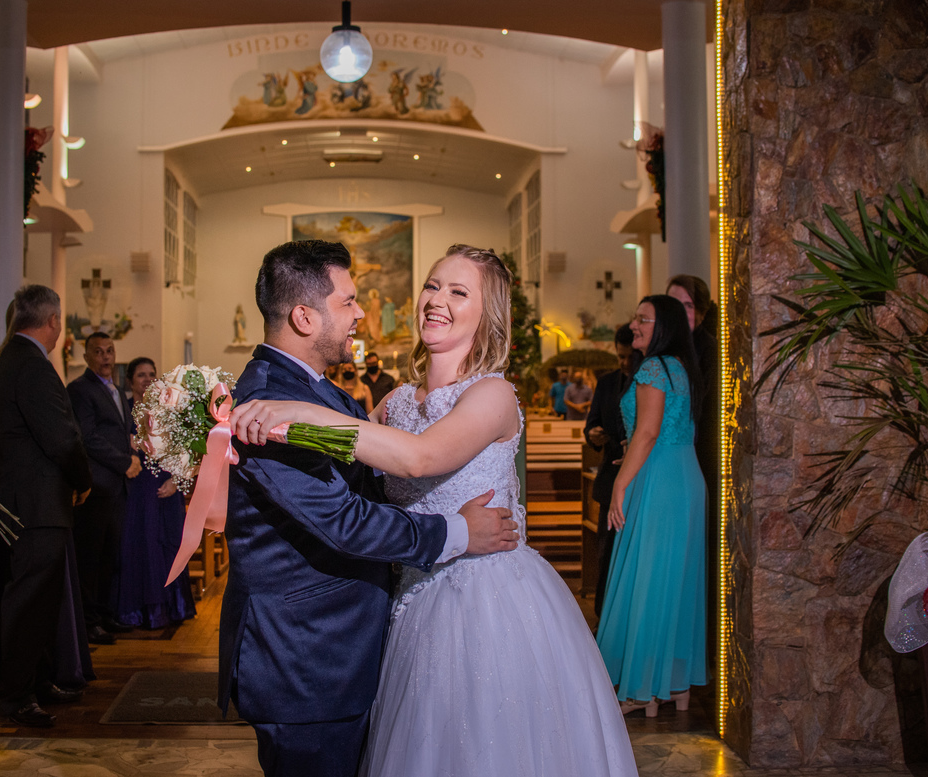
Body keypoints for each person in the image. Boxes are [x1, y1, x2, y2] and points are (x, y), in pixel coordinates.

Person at [231, 245, 638, 777]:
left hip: (487, 600)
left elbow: (419, 458)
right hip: (406, 602)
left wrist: (299, 412)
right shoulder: (396, 403)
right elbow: (355, 484)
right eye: (432, 285)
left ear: (487, 315)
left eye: (458, 291)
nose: (436, 299)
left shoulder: (492, 394)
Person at [218, 239, 521, 777]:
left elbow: (399, 464)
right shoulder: (273, 404)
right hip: (307, 655)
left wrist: (307, 413)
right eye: (349, 302)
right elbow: (345, 517)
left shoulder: (313, 395)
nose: (362, 313)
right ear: (305, 317)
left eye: (458, 291)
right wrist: (457, 532)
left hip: (440, 612)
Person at [0, 300, 96, 702]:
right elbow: (61, 437)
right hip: (36, 503)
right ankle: (18, 695)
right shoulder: (32, 364)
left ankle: (36, 683)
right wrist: (83, 479)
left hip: (23, 499)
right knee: (28, 602)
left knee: (38, 601)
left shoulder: (11, 358)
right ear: (53, 320)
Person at [596, 294, 708, 716]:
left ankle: (640, 691)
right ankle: (673, 686)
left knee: (645, 579)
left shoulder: (653, 368)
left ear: (664, 327)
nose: (634, 325)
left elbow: (647, 434)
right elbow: (663, 431)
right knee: (673, 582)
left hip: (657, 480)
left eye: (643, 319)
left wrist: (620, 484)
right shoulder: (681, 367)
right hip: (685, 475)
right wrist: (633, 453)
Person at [66, 333, 143, 645]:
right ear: (86, 357)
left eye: (110, 351)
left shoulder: (116, 390)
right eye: (98, 352)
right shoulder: (80, 389)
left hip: (117, 487)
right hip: (97, 485)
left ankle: (105, 613)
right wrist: (124, 462)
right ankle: (88, 622)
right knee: (90, 556)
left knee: (110, 554)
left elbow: (120, 432)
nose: (106, 357)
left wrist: (132, 453)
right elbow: (88, 436)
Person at [112, 357, 196, 629]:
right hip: (137, 487)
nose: (147, 379)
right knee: (141, 545)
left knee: (168, 543)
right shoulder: (122, 411)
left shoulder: (168, 409)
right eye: (141, 375)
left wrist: (176, 480)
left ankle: (173, 607)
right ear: (129, 381)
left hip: (166, 485)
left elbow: (187, 451)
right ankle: (141, 611)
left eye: (151, 374)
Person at [667, 273, 721, 660]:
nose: (681, 313)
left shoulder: (709, 350)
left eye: (687, 305)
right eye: (674, 304)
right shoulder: (670, 351)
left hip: (698, 462)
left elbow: (703, 417)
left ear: (701, 311)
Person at [584, 324, 636, 619]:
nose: (625, 363)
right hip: (610, 477)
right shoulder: (606, 384)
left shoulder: (647, 382)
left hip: (639, 480)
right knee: (606, 554)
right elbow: (591, 424)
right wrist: (593, 434)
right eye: (620, 357)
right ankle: (602, 618)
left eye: (629, 357)